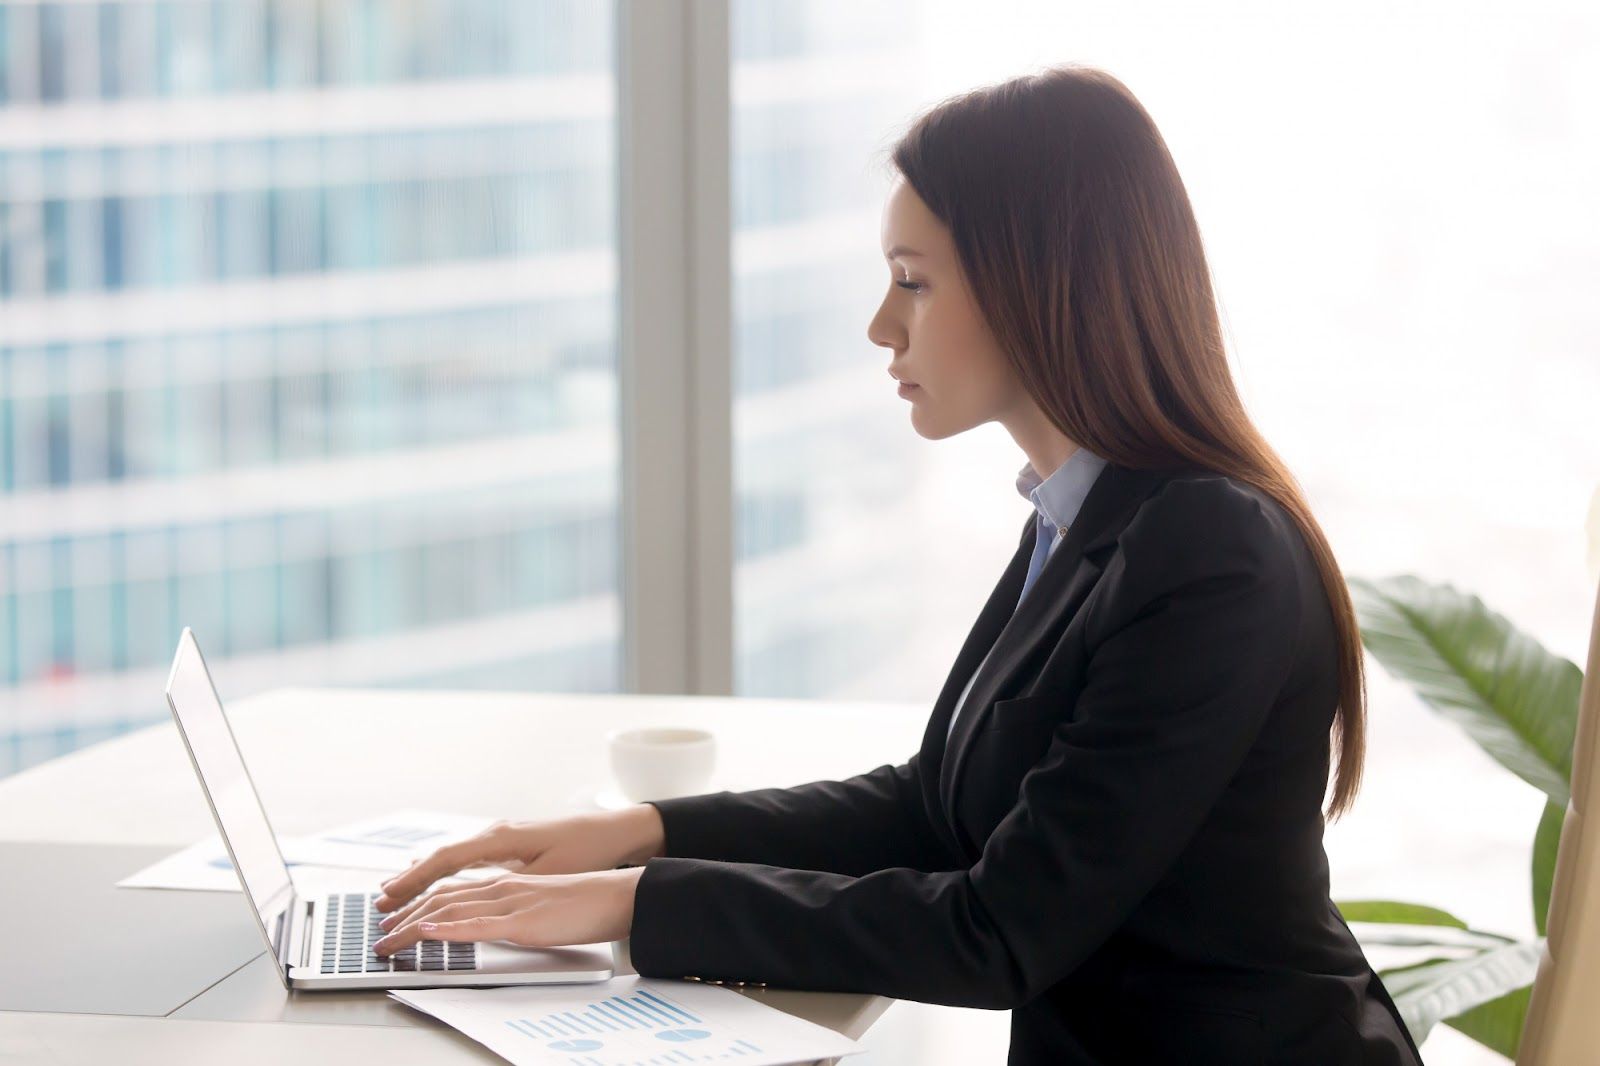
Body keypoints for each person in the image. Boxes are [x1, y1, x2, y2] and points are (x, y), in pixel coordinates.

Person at [371, 64, 1425, 1065]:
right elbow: (934, 809)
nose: (882, 328)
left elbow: (1000, 927)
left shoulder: (1209, 552)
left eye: (913, 284)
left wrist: (632, 903)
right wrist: (633, 835)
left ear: (1034, 284)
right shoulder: (1082, 519)